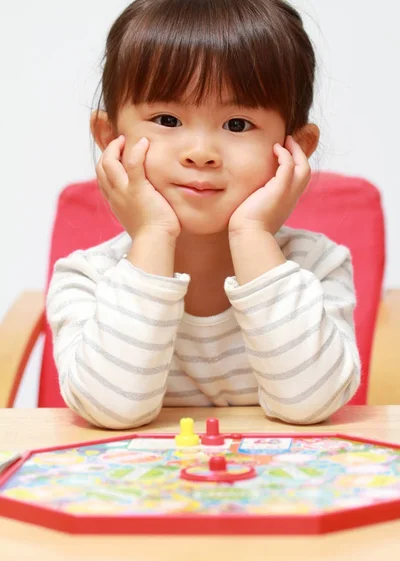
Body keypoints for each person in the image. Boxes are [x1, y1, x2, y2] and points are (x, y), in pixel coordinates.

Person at [47, 0, 360, 429]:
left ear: (294, 149)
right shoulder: (87, 277)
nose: (200, 153)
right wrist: (154, 233)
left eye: (237, 125)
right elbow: (112, 411)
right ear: (110, 138)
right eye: (167, 118)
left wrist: (253, 233)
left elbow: (310, 406)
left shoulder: (318, 266)